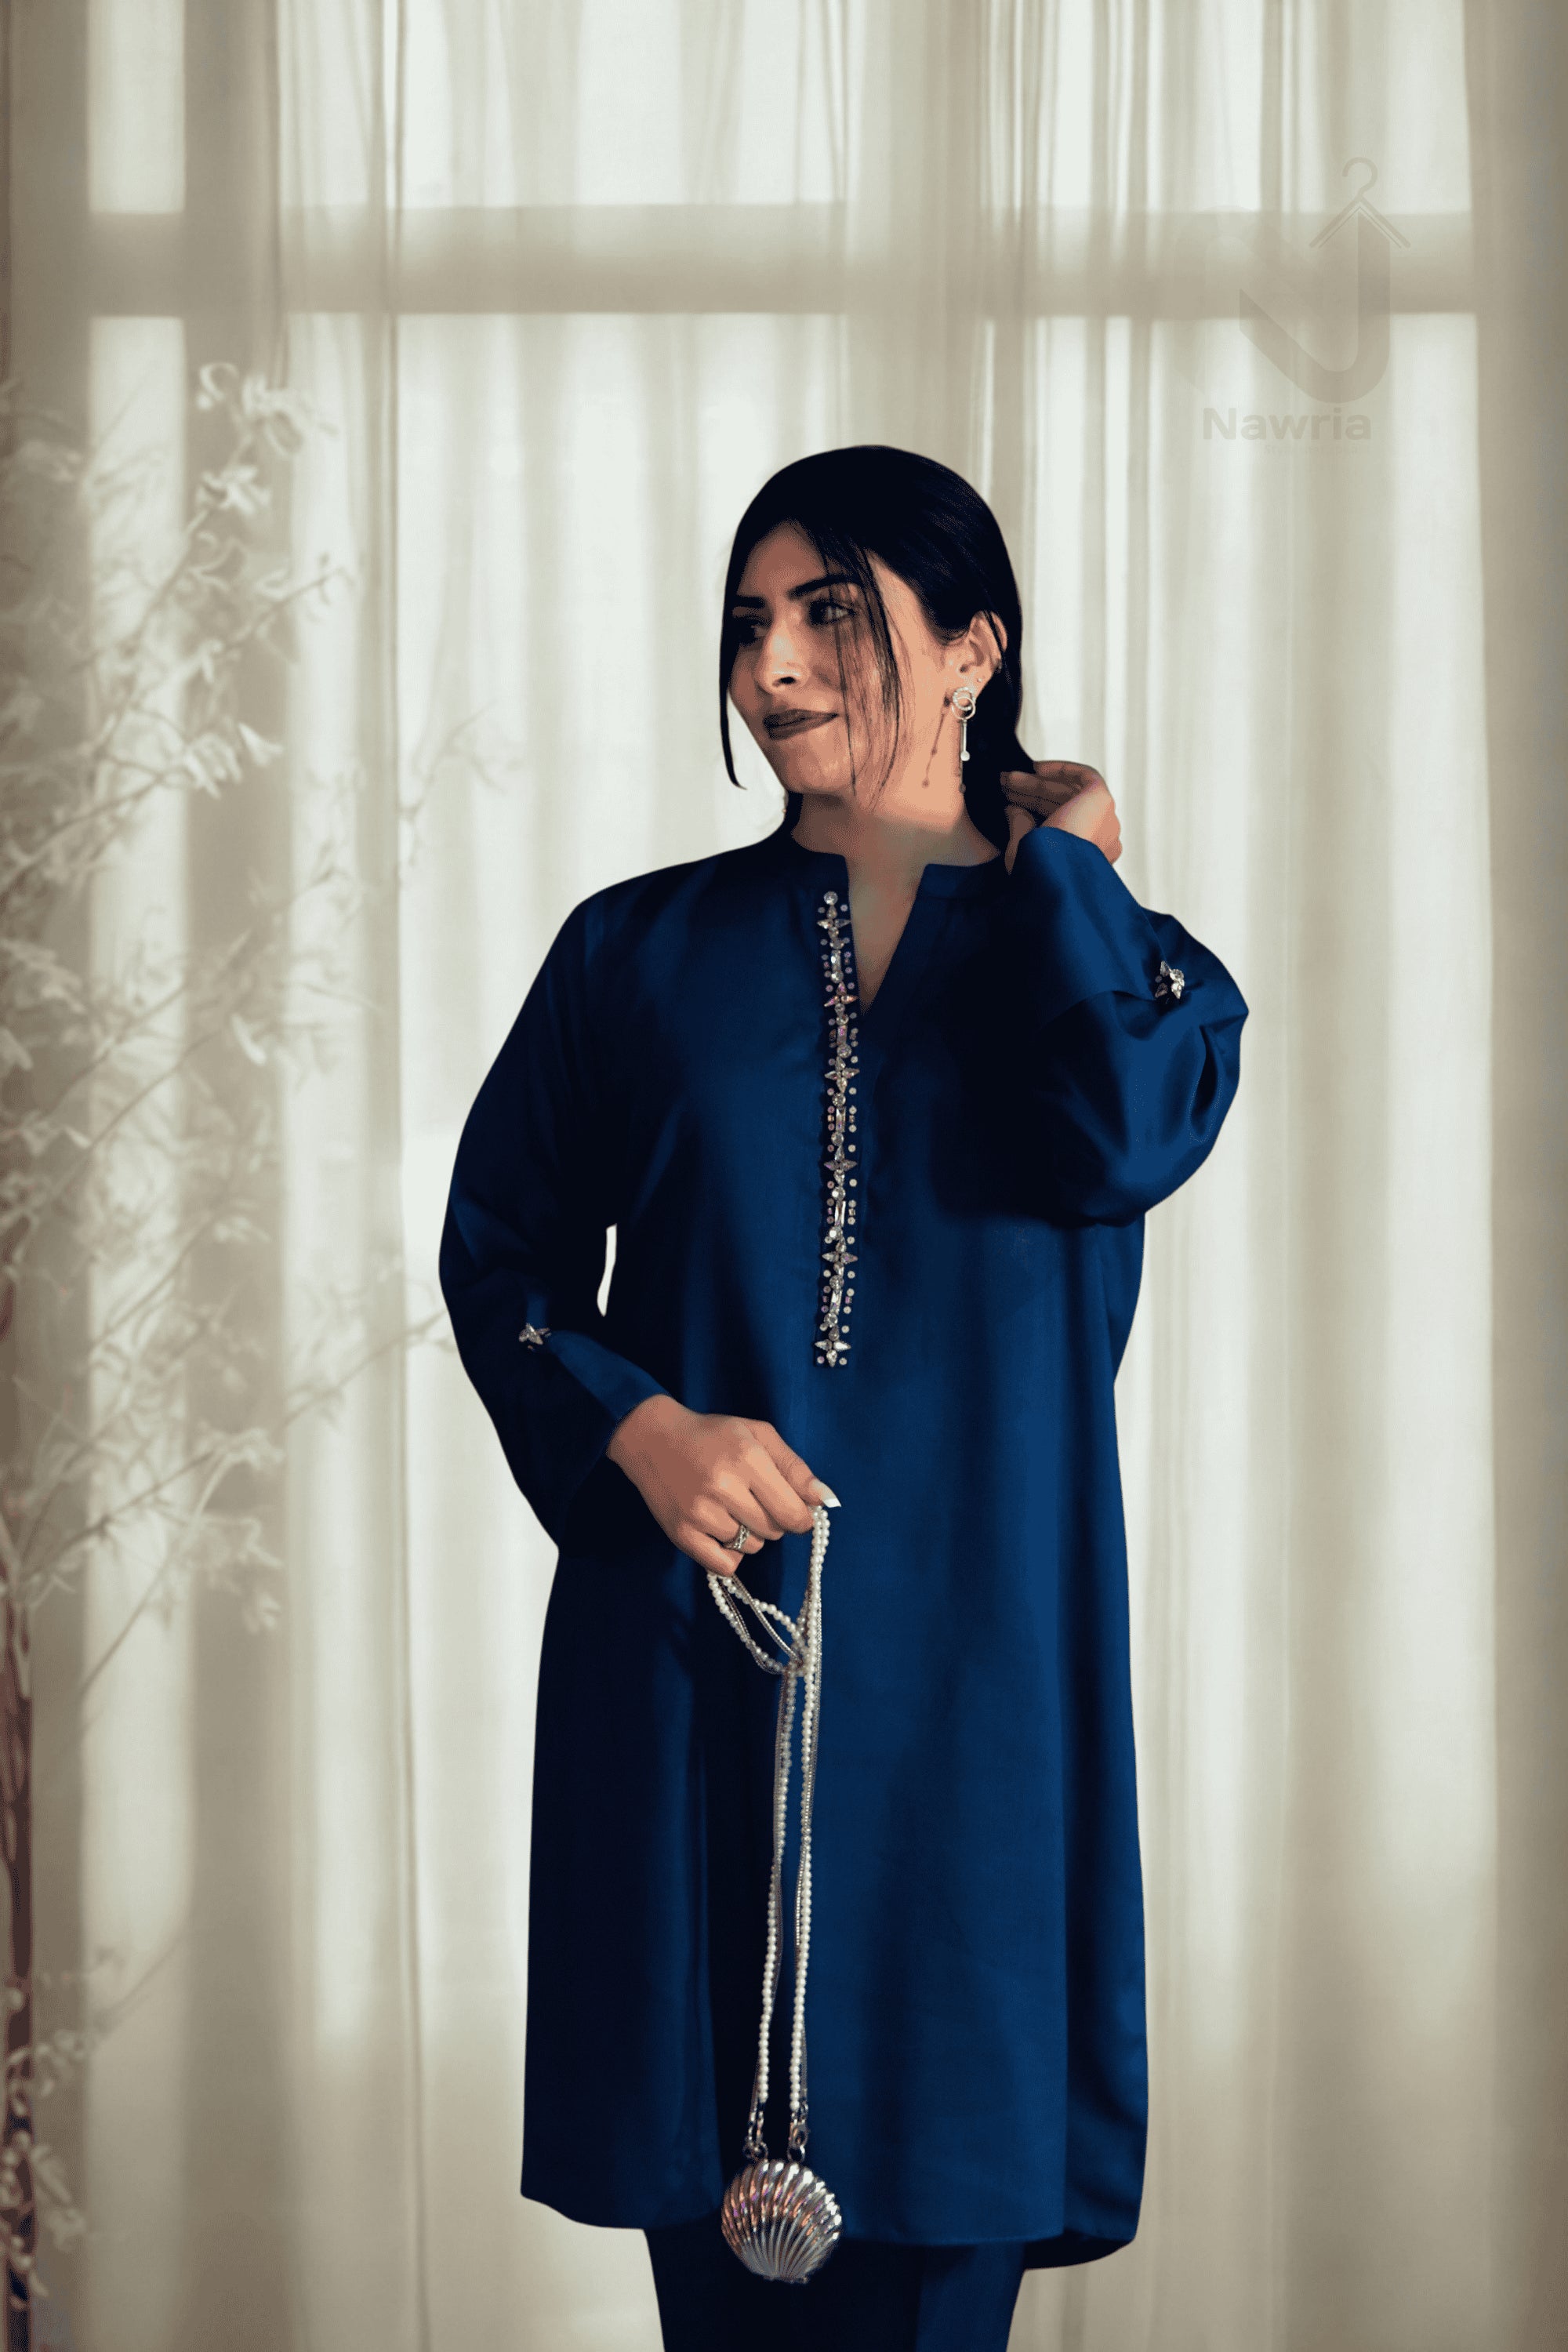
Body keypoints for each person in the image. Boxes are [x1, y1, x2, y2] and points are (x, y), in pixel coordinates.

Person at [439, 445, 1248, 2350]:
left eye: (831, 616)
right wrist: (639, 1427)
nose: (774, 667)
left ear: (972, 651)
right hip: (701, 1688)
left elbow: (1123, 1133)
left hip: (976, 1720)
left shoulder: (1122, 977)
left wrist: (1065, 867)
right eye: (747, 623)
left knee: (936, 2280)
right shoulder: (636, 954)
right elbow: (504, 1266)